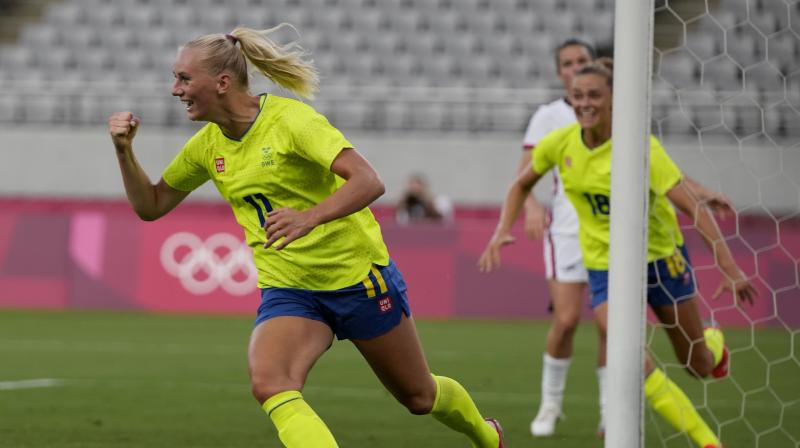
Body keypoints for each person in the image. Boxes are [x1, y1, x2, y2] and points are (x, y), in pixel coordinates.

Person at [108, 24, 503, 448]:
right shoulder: (207, 147)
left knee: (419, 396)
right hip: (291, 289)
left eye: (184, 78)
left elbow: (368, 181)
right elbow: (150, 206)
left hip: (356, 279)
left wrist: (308, 218)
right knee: (270, 382)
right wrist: (124, 151)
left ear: (222, 83)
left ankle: (486, 435)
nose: (175, 89)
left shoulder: (291, 121)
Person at [479, 59, 757, 448]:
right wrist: (501, 231)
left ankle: (712, 342)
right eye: (578, 96)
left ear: (614, 101)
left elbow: (691, 205)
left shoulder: (640, 148)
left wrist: (728, 266)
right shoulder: (560, 144)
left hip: (660, 259)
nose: (585, 103)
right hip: (605, 266)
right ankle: (708, 442)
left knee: (699, 366)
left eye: (594, 95)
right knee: (629, 358)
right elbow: (520, 184)